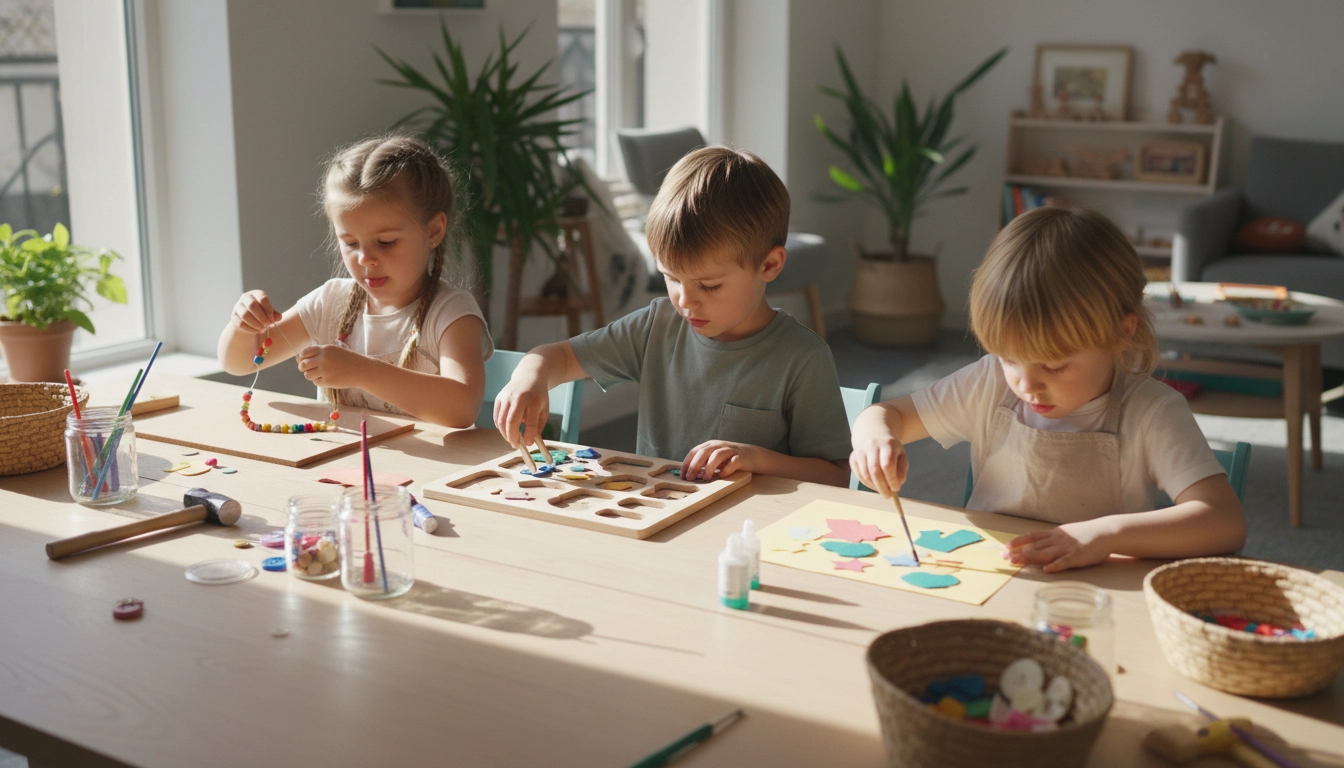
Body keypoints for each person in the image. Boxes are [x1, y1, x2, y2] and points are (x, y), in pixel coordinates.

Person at [850, 206, 1246, 572]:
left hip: (1096, 592)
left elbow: (1224, 521)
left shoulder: (1152, 411)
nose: (1027, 385)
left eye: (1054, 366)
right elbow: (887, 414)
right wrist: (875, 439)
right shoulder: (988, 382)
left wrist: (1107, 534)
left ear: (1120, 333)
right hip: (994, 574)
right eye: (1008, 359)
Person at [494, 146, 851, 486]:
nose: (685, 301)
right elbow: (557, 356)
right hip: (660, 514)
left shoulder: (803, 358)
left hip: (750, 525)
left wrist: (756, 459)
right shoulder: (656, 327)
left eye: (709, 286)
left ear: (769, 265)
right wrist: (530, 377)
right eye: (672, 278)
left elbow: (836, 475)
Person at [217, 134, 490, 427]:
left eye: (386, 242)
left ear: (433, 231)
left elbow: (463, 408)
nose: (365, 259)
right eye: (350, 243)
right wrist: (243, 326)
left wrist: (363, 371)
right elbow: (239, 363)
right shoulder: (330, 302)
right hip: (345, 455)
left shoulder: (452, 313)